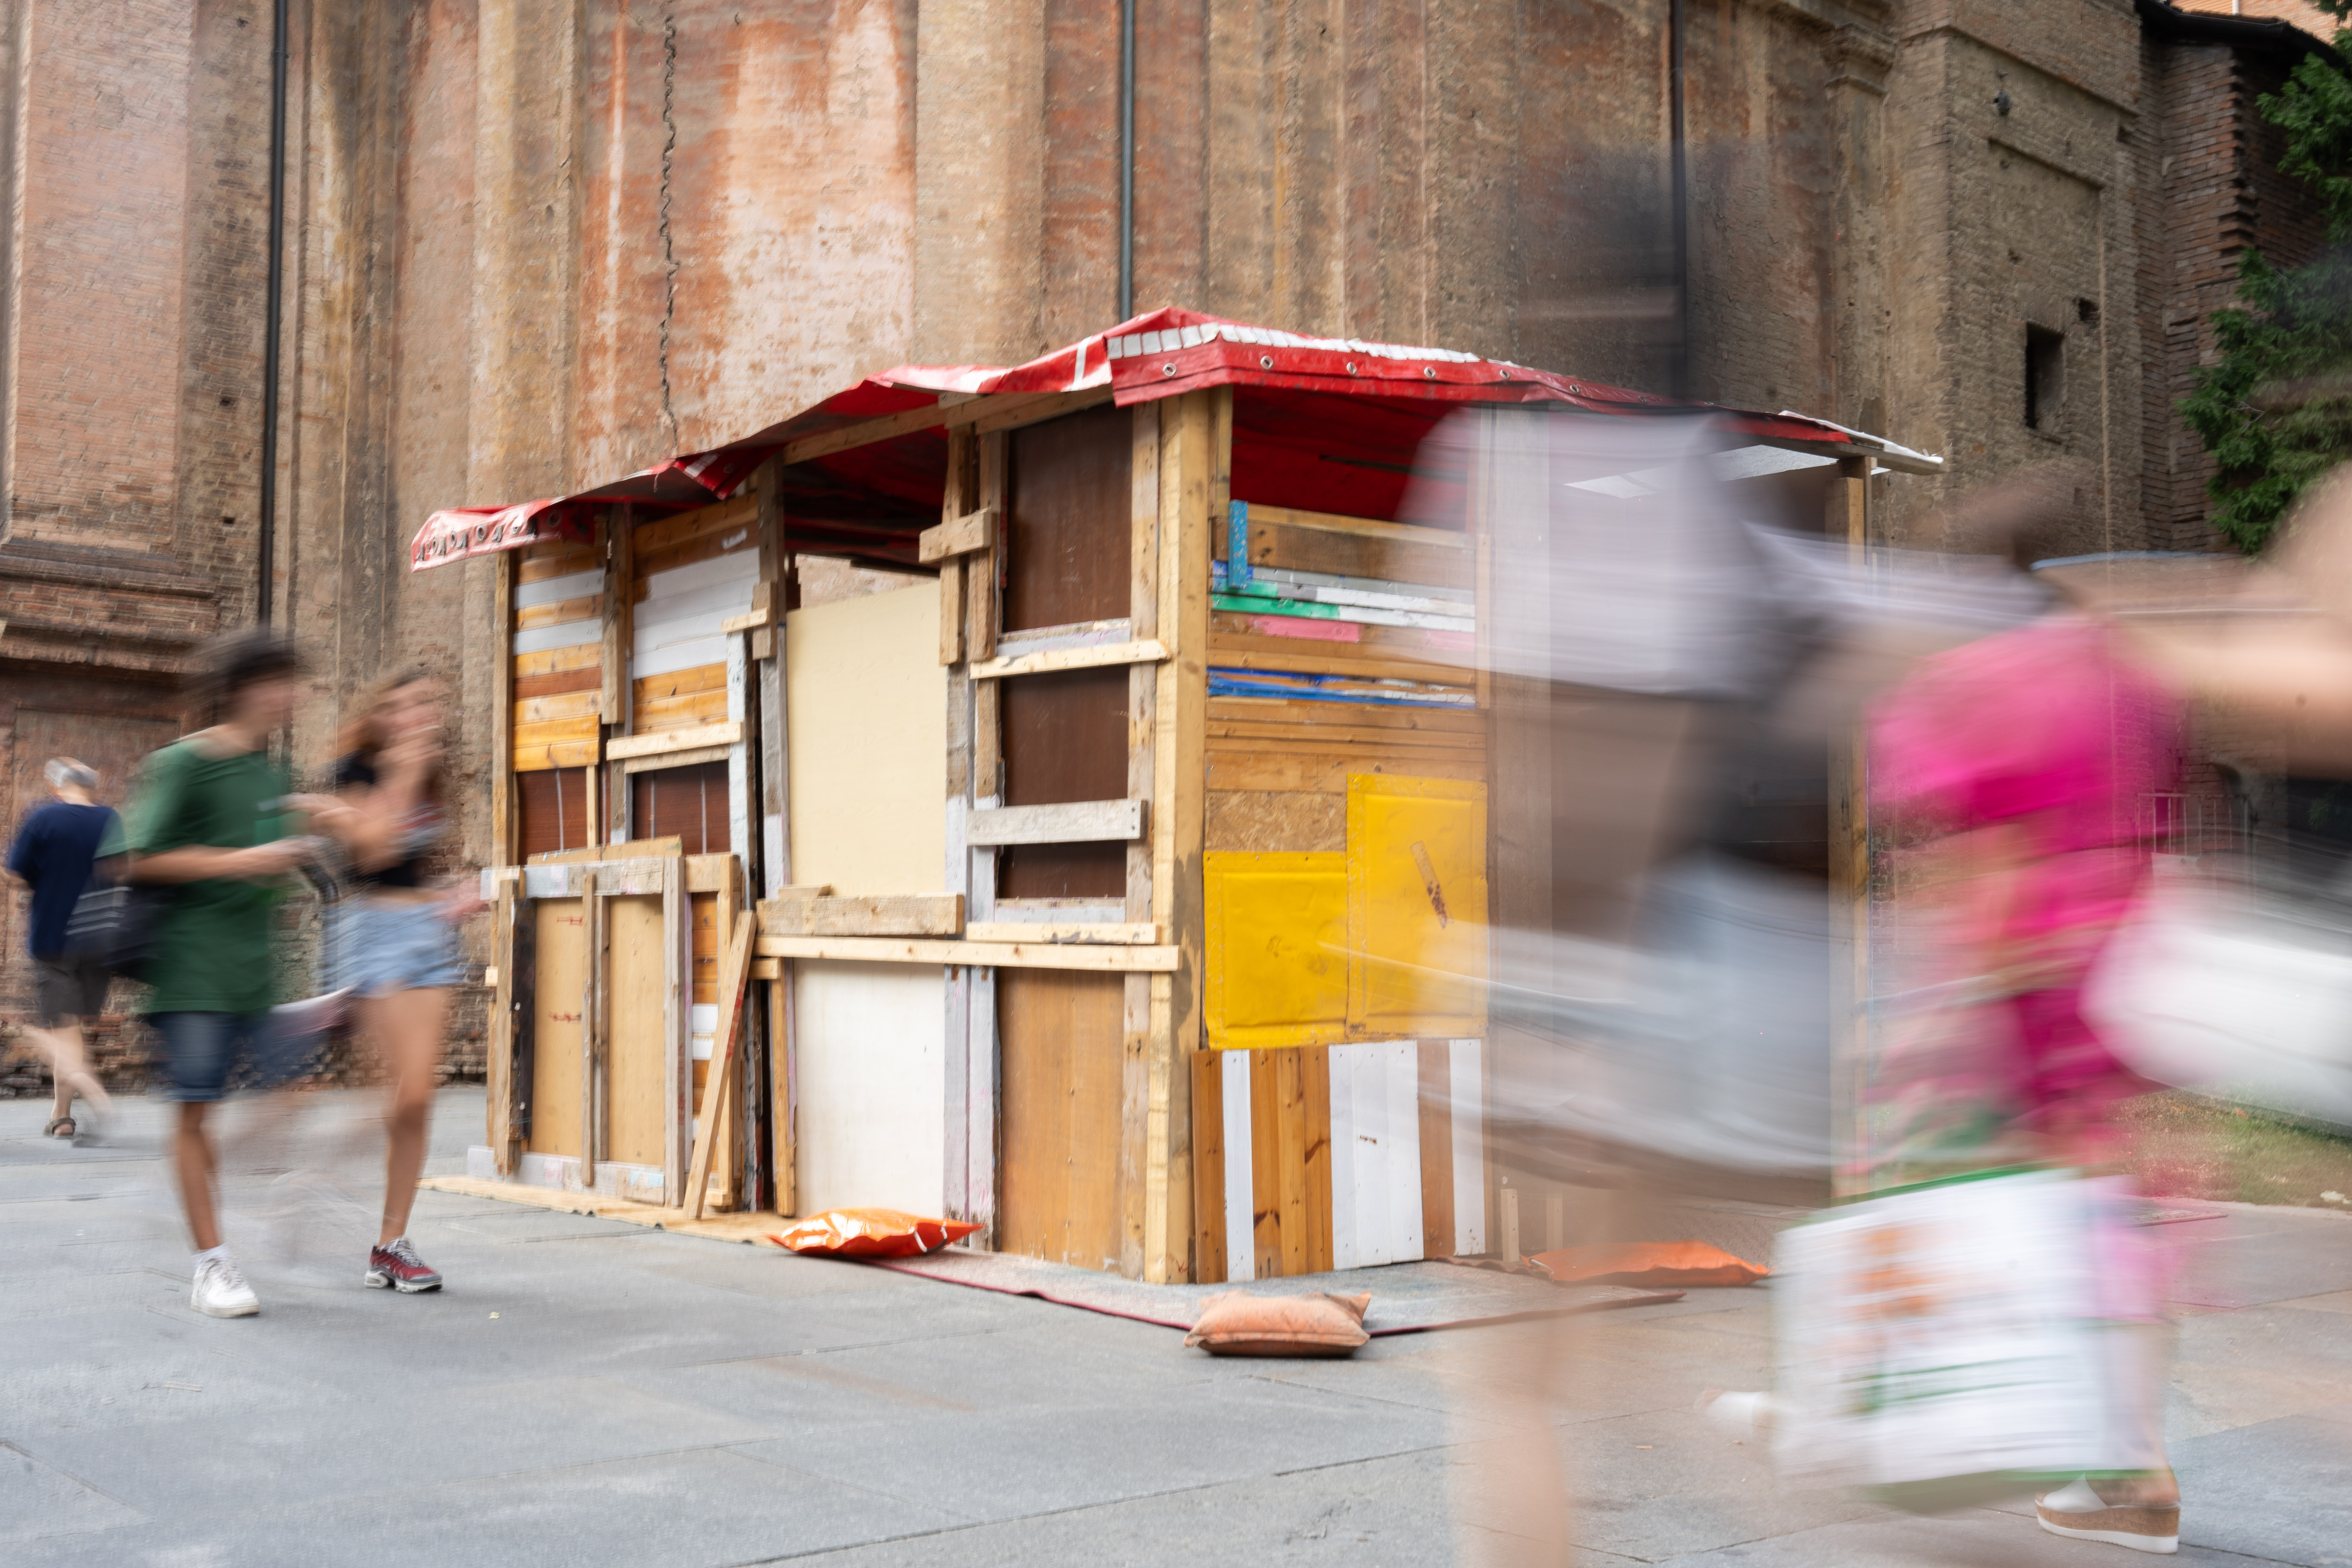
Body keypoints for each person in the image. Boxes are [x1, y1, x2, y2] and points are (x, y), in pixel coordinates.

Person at [125, 630, 316, 1320]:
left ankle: (195, 1191)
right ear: (243, 688)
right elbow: (137, 858)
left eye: (294, 683)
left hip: (254, 971)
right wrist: (243, 863)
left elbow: (264, 856)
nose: (291, 696)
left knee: (293, 1094)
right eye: (279, 682)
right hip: (190, 968)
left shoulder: (271, 773)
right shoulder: (184, 763)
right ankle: (213, 1263)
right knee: (196, 1111)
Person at [296, 668, 482, 1294]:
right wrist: (403, 770)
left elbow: (413, 864)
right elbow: (373, 856)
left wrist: (452, 895)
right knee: (394, 1096)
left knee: (421, 1095)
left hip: (428, 935)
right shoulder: (358, 768)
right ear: (381, 714)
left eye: (427, 704)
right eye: (401, 706)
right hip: (370, 935)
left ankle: (391, 1243)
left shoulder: (433, 776)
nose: (417, 716)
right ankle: (318, 1187)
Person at [5, 757, 120, 1140]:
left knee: (54, 1031)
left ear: (59, 787)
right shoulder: (110, 819)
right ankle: (62, 1116)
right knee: (69, 1030)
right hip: (100, 943)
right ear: (92, 787)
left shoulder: (44, 818)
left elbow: (14, 873)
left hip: (53, 938)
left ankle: (96, 1094)